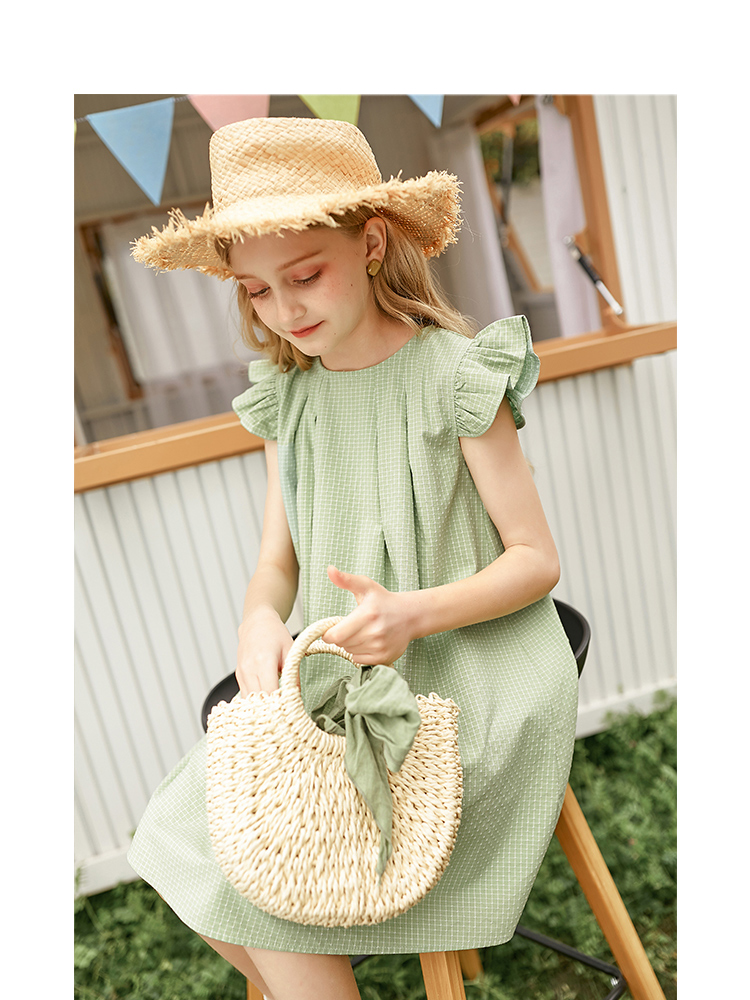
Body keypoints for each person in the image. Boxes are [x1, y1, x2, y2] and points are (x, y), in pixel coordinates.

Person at [127, 115, 579, 1000]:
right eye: (256, 291)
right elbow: (277, 565)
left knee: (270, 867)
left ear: (372, 244)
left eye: (305, 276)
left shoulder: (458, 375)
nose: (285, 310)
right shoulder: (287, 400)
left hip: (475, 672)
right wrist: (259, 620)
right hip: (344, 674)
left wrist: (412, 614)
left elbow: (536, 560)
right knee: (180, 834)